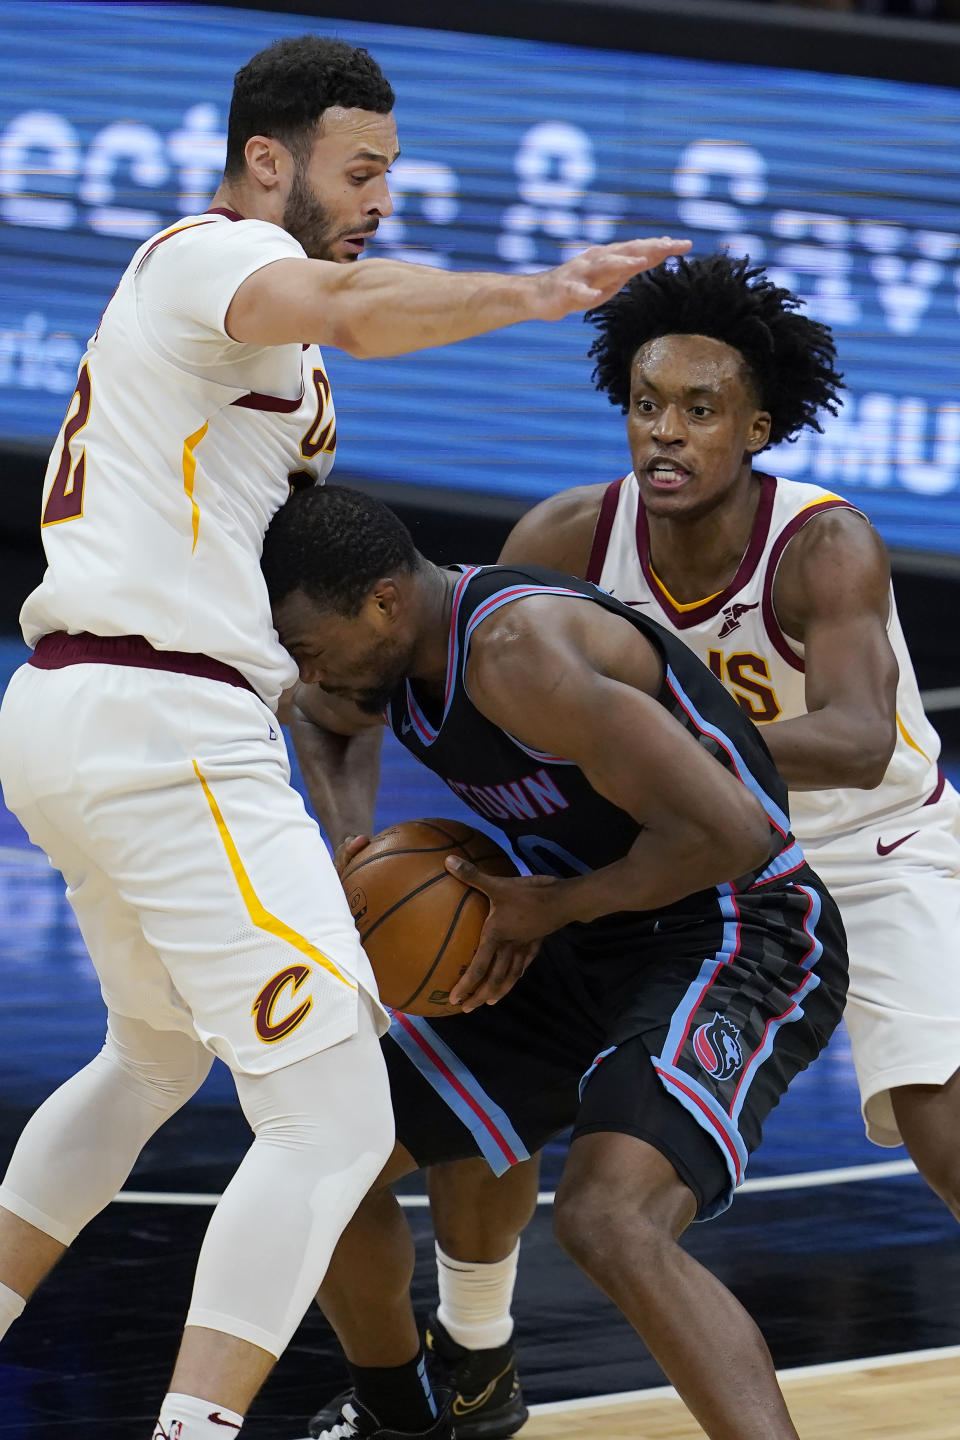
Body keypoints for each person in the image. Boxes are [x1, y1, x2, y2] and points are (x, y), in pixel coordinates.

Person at [0, 30, 690, 1440]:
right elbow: (362, 305)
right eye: (359, 167)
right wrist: (542, 288)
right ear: (270, 160)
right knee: (333, 1119)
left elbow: (318, 619)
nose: (382, 194)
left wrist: (351, 798)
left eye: (392, 169)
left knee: (149, 1058)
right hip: (160, 716)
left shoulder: (287, 373)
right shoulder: (204, 253)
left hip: (86, 708)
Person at [326, 252, 958, 1439]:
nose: (665, 434)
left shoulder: (824, 545)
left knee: (939, 1117)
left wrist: (671, 736)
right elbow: (477, 698)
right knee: (459, 1074)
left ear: (756, 428)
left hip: (865, 846)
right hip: (667, 861)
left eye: (701, 412)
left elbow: (863, 738)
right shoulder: (569, 536)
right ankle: (472, 1357)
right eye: (646, 406)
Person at [261, 482, 849, 1440]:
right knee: (314, 1151)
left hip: (739, 929)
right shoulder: (379, 654)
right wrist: (354, 854)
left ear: (381, 600)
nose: (301, 663)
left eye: (306, 639)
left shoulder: (513, 652)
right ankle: (410, 1413)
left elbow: (736, 832)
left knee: (609, 1221)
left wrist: (556, 904)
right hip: (578, 929)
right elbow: (319, 713)